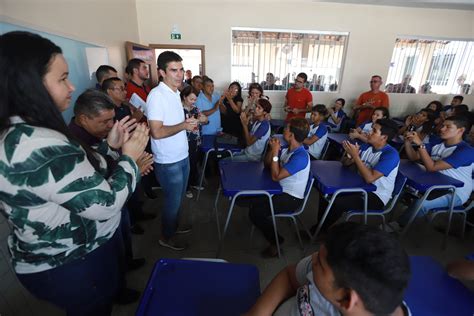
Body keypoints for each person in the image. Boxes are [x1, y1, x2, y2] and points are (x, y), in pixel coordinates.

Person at [0, 31, 149, 315]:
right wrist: (130, 159)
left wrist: (111, 148)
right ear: (28, 84)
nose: (71, 87)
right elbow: (105, 204)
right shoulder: (36, 145)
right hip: (71, 262)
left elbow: (78, 174)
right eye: (62, 78)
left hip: (68, 256)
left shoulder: (27, 130)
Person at [69, 89, 153, 303]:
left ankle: (126, 264)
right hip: (103, 210)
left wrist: (121, 155)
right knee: (107, 262)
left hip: (118, 198)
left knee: (122, 238)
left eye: (112, 119)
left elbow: (106, 160)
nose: (110, 126)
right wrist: (130, 164)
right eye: (104, 122)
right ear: (83, 119)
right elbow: (97, 183)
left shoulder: (97, 136)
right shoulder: (75, 144)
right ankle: (117, 289)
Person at [245, 222, 411, 316]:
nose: (313, 259)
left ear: (346, 299)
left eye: (320, 264)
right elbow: (289, 276)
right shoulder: (338, 270)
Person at [146, 51, 199, 251]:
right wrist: (184, 126)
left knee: (177, 201)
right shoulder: (157, 96)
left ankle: (174, 226)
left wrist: (185, 124)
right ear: (161, 72)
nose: (179, 75)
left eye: (181, 70)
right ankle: (166, 237)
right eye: (173, 70)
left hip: (181, 156)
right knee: (172, 202)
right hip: (169, 161)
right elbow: (157, 132)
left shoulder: (175, 93)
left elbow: (172, 124)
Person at [239, 118, 311, 257]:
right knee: (244, 199)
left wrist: (276, 153)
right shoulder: (286, 148)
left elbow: (275, 176)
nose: (283, 131)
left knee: (256, 212)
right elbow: (267, 165)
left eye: (286, 129)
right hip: (277, 189)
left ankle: (276, 242)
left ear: (291, 135)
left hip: (291, 198)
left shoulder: (301, 156)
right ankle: (262, 219)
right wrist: (273, 151)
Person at [316, 118, 400, 233]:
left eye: (374, 131)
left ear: (384, 137)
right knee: (326, 194)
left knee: (337, 202)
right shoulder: (367, 146)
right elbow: (345, 163)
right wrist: (350, 157)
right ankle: (320, 228)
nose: (369, 132)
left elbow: (370, 178)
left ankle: (321, 231)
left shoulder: (391, 155)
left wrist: (356, 156)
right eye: (371, 129)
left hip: (376, 195)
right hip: (359, 186)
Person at [396, 115, 474, 228]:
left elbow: (431, 167)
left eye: (448, 127)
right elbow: (413, 157)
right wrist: (407, 142)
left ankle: (399, 227)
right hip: (434, 184)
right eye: (443, 125)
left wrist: (420, 144)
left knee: (421, 204)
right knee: (401, 186)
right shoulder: (438, 142)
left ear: (460, 130)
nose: (442, 129)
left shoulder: (467, 151)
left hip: (455, 192)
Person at [180, 86, 208, 198]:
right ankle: (186, 188)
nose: (193, 102)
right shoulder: (179, 110)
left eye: (195, 99)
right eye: (191, 99)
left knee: (194, 162)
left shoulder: (195, 109)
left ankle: (193, 183)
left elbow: (205, 121)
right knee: (187, 165)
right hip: (185, 141)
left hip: (196, 140)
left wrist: (204, 120)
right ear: (184, 97)